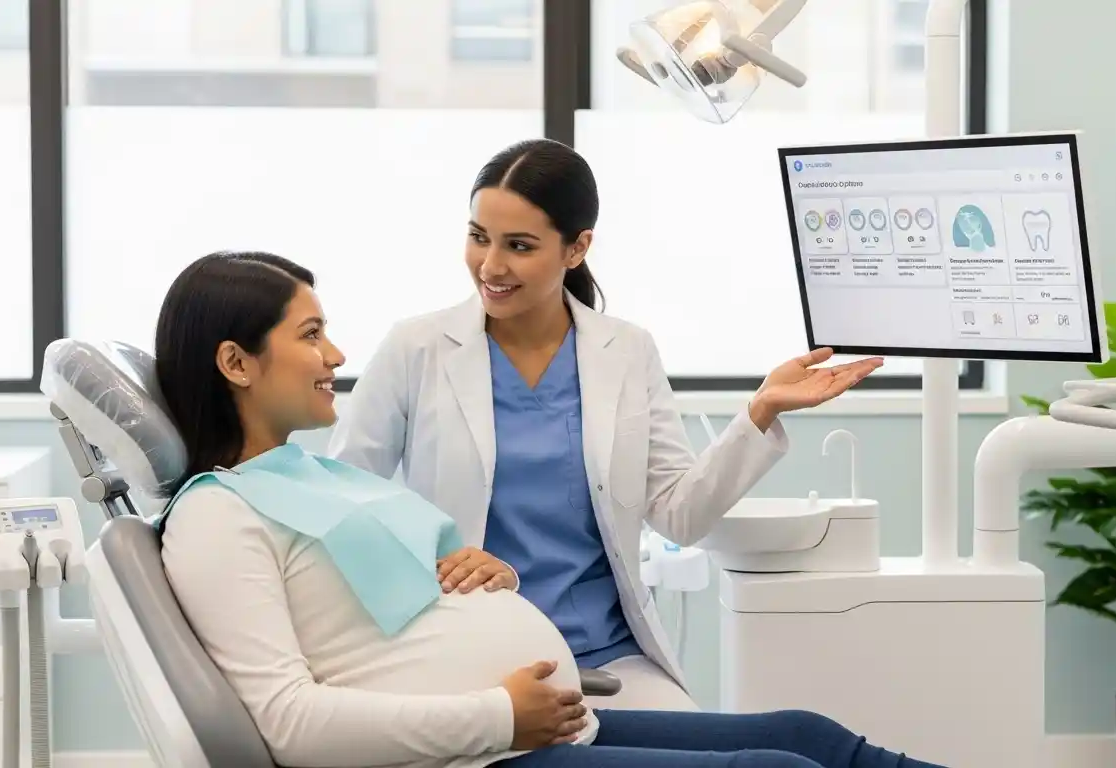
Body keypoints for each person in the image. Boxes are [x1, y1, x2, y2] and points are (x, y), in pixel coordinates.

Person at [154, 250, 946, 768]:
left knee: (807, 737)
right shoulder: (217, 516)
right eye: (313, 334)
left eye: (521, 244)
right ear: (236, 362)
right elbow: (286, 722)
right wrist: (498, 716)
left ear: (575, 248)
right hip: (483, 750)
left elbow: (378, 609)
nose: (335, 355)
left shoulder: (304, 478)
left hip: (543, 716)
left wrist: (480, 571)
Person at [327, 139, 885, 710]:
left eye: (519, 246)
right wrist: (432, 558)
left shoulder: (626, 351)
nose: (490, 266)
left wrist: (760, 411)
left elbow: (678, 513)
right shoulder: (416, 348)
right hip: (471, 652)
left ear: (577, 248)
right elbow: (344, 503)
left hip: (609, 656)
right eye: (478, 237)